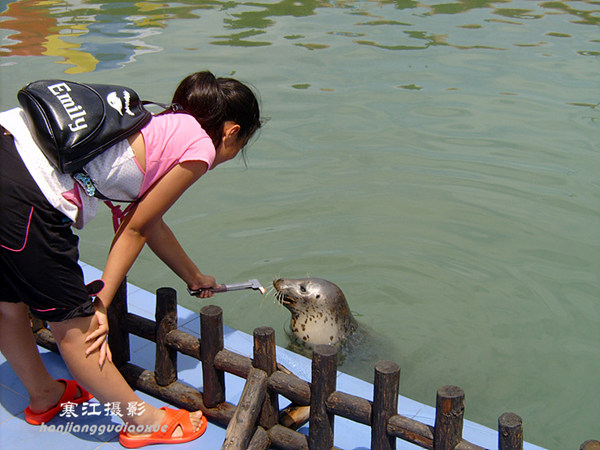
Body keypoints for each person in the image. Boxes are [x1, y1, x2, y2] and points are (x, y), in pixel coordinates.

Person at [0, 71, 261, 447]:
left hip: (8, 142)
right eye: (241, 144)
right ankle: (142, 421)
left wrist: (194, 275)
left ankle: (44, 395)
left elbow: (147, 223)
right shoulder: (201, 147)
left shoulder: (164, 121)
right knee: (76, 329)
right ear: (233, 131)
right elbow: (136, 229)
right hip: (26, 191)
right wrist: (101, 304)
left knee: (8, 304)